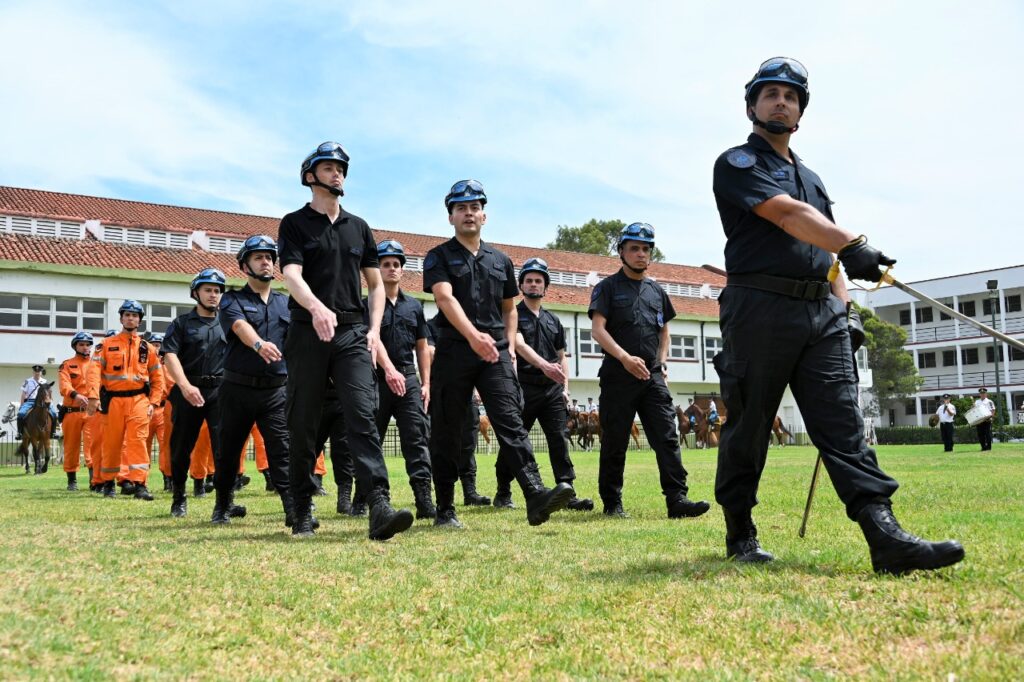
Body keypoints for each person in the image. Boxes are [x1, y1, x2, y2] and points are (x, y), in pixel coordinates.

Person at [711, 56, 963, 574]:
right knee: (751, 424)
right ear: (752, 105)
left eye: (791, 96)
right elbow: (788, 216)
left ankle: (884, 535)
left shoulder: (812, 176)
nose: (781, 101)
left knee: (843, 424)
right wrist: (854, 242)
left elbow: (826, 253)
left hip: (821, 313)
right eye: (771, 94)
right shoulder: (738, 164)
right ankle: (740, 530)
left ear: (801, 110)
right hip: (760, 309)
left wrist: (846, 309)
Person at [278, 140, 412, 540]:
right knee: (303, 420)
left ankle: (378, 506)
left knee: (361, 413)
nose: (337, 172)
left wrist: (373, 330)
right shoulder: (294, 223)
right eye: (329, 167)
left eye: (341, 168)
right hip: (307, 329)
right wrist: (317, 308)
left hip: (352, 331)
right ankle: (301, 507)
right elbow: (292, 275)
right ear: (310, 176)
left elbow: (374, 286)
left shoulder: (359, 227)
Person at [423, 178, 572, 528]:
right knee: (447, 430)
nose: (469, 214)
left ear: (484, 216)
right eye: (461, 208)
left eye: (475, 208)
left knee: (510, 422)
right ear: (451, 217)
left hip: (495, 355)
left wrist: (508, 351)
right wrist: (474, 336)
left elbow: (510, 308)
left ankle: (535, 495)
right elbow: (444, 298)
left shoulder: (501, 260)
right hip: (454, 350)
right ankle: (445, 508)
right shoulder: (438, 257)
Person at [589, 223, 709, 520]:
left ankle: (677, 500)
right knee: (615, 440)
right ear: (622, 252)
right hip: (618, 374)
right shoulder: (607, 288)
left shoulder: (657, 291)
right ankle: (612, 503)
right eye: (634, 248)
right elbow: (597, 330)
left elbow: (665, 330)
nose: (641, 254)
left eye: (646, 249)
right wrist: (624, 357)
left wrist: (663, 361)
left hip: (652, 376)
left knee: (667, 436)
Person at [495, 256, 592, 511]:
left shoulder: (553, 321)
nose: (534, 285)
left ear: (545, 286)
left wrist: (565, 387)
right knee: (515, 441)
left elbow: (562, 357)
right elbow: (517, 343)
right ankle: (503, 491)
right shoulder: (513, 314)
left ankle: (567, 491)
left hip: (552, 391)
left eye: (539, 281)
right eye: (529, 280)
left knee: (559, 439)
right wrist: (544, 366)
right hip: (524, 386)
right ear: (521, 285)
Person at [213, 235, 293, 525]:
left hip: (275, 392)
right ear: (245, 266)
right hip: (237, 389)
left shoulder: (287, 304)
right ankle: (222, 505)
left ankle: (292, 509)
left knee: (282, 451)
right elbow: (239, 325)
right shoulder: (232, 300)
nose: (266, 262)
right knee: (228, 450)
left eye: (270, 257)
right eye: (259, 257)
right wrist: (259, 344)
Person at [365, 239, 436, 520]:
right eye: (385, 264)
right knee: (371, 440)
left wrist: (426, 382)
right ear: (377, 269)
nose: (392, 268)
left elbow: (422, 346)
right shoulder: (368, 304)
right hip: (376, 380)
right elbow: (372, 340)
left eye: (396, 264)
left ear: (402, 270)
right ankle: (367, 499)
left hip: (408, 380)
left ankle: (424, 500)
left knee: (416, 440)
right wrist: (389, 370)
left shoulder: (414, 307)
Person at [162, 268, 228, 517]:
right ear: (195, 293)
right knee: (180, 448)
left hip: (221, 392)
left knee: (224, 449)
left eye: (217, 291)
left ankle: (223, 503)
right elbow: (169, 355)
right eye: (208, 290)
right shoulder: (181, 324)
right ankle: (179, 497)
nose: (213, 295)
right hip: (189, 391)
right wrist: (185, 386)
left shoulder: (231, 322)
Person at [85, 300, 164, 500]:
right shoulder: (106, 345)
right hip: (113, 402)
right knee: (111, 443)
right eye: (127, 315)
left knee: (137, 441)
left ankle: (140, 485)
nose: (131, 318)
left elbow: (158, 378)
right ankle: (109, 483)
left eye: (135, 315)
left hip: (139, 400)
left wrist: (154, 403)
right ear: (121, 318)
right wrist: (93, 396)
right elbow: (93, 372)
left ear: (140, 320)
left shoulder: (148, 348)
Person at [58, 332, 98, 491]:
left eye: (88, 344)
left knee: (92, 446)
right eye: (81, 344)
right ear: (75, 346)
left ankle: (94, 480)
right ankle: (72, 481)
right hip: (71, 411)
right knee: (71, 446)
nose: (85, 347)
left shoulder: (96, 364)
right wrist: (76, 395)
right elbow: (64, 385)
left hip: (91, 411)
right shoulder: (66, 365)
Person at [18, 365, 58, 439]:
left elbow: (49, 392)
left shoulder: (45, 381)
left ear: (41, 372)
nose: (37, 373)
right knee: (21, 414)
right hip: (30, 401)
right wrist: (21, 405)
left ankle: (53, 432)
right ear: (33, 372)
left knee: (54, 414)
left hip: (43, 402)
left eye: (38, 372)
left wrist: (50, 400)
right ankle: (20, 433)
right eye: (35, 372)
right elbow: (23, 394)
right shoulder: (27, 381)